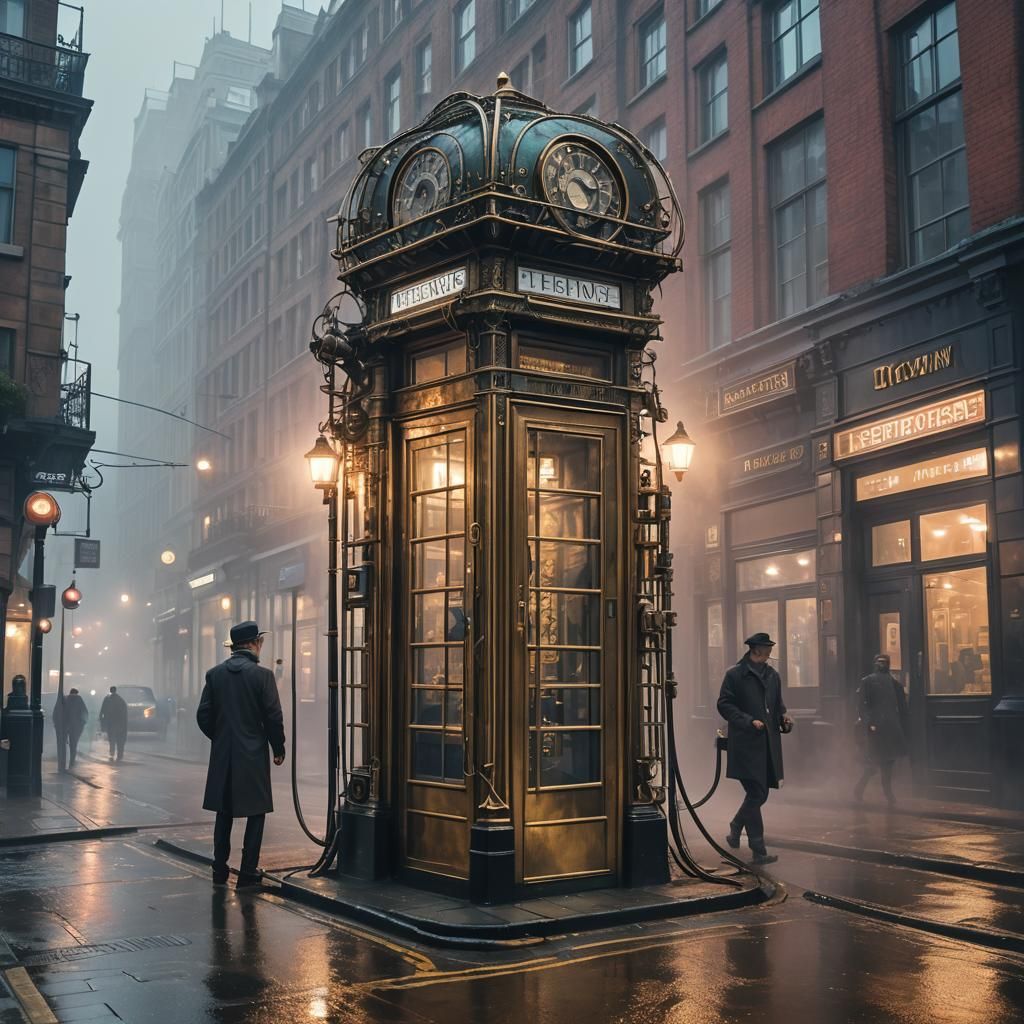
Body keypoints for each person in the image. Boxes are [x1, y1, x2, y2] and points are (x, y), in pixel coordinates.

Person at [197, 621, 285, 889]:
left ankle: (219, 870)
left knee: (223, 812)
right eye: (260, 642)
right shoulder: (263, 676)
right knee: (256, 812)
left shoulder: (214, 675)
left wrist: (222, 738)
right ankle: (247, 873)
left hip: (224, 754)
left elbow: (203, 715)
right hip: (253, 754)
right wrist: (278, 748)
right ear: (254, 644)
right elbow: (273, 717)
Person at [717, 632, 793, 865]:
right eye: (766, 648)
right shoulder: (735, 674)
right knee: (758, 793)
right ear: (755, 649)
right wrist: (748, 721)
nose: (769, 652)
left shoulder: (772, 675)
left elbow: (778, 706)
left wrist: (784, 719)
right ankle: (757, 848)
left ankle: (737, 828)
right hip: (745, 744)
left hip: (767, 745)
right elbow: (724, 704)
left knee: (758, 793)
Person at [853, 654, 909, 806]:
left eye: (884, 662)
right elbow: (862, 707)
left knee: (887, 761)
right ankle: (862, 790)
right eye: (880, 662)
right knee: (873, 762)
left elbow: (902, 708)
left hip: (889, 727)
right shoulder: (868, 682)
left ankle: (886, 792)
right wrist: (869, 723)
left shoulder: (894, 684)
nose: (882, 665)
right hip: (876, 729)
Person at [99, 686, 128, 761]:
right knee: (120, 740)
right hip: (120, 723)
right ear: (116, 690)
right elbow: (125, 713)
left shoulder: (107, 699)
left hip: (111, 723)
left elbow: (102, 711)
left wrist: (102, 722)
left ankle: (112, 753)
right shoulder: (121, 700)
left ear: (110, 690)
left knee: (112, 739)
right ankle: (120, 755)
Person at [64, 688, 89, 768]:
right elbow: (85, 712)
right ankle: (72, 761)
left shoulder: (65, 699)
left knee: (63, 744)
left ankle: (63, 761)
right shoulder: (79, 699)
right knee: (73, 744)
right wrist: (82, 723)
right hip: (76, 726)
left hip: (66, 726)